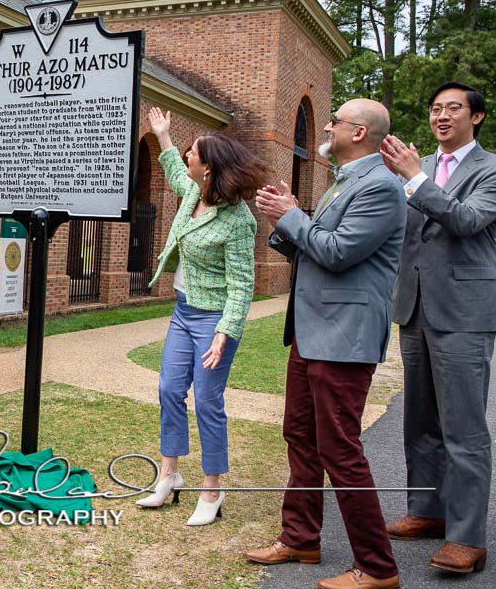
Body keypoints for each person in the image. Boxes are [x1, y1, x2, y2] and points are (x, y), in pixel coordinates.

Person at [247, 99, 404, 589]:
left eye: (335, 119)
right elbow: (316, 244)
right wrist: (283, 218)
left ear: (358, 132)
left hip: (344, 338)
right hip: (313, 333)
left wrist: (293, 215)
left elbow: (336, 254)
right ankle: (301, 538)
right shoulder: (345, 180)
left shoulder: (380, 186)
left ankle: (378, 568)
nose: (329, 124)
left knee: (341, 451)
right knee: (301, 437)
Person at [380, 82, 496, 574]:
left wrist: (415, 177)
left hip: (465, 312)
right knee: (419, 423)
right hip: (415, 308)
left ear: (475, 117)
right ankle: (427, 510)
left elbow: (465, 221)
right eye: (436, 108)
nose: (442, 116)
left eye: (453, 108)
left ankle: (467, 538)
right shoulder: (412, 172)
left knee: (464, 429)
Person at [136, 107, 266, 527]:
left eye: (194, 153)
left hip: (214, 320)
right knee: (169, 389)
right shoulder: (194, 192)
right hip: (183, 311)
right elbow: (175, 171)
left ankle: (212, 489)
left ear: (208, 169)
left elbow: (242, 285)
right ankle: (170, 476)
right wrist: (163, 135)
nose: (188, 156)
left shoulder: (238, 220)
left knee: (208, 401)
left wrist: (225, 333)